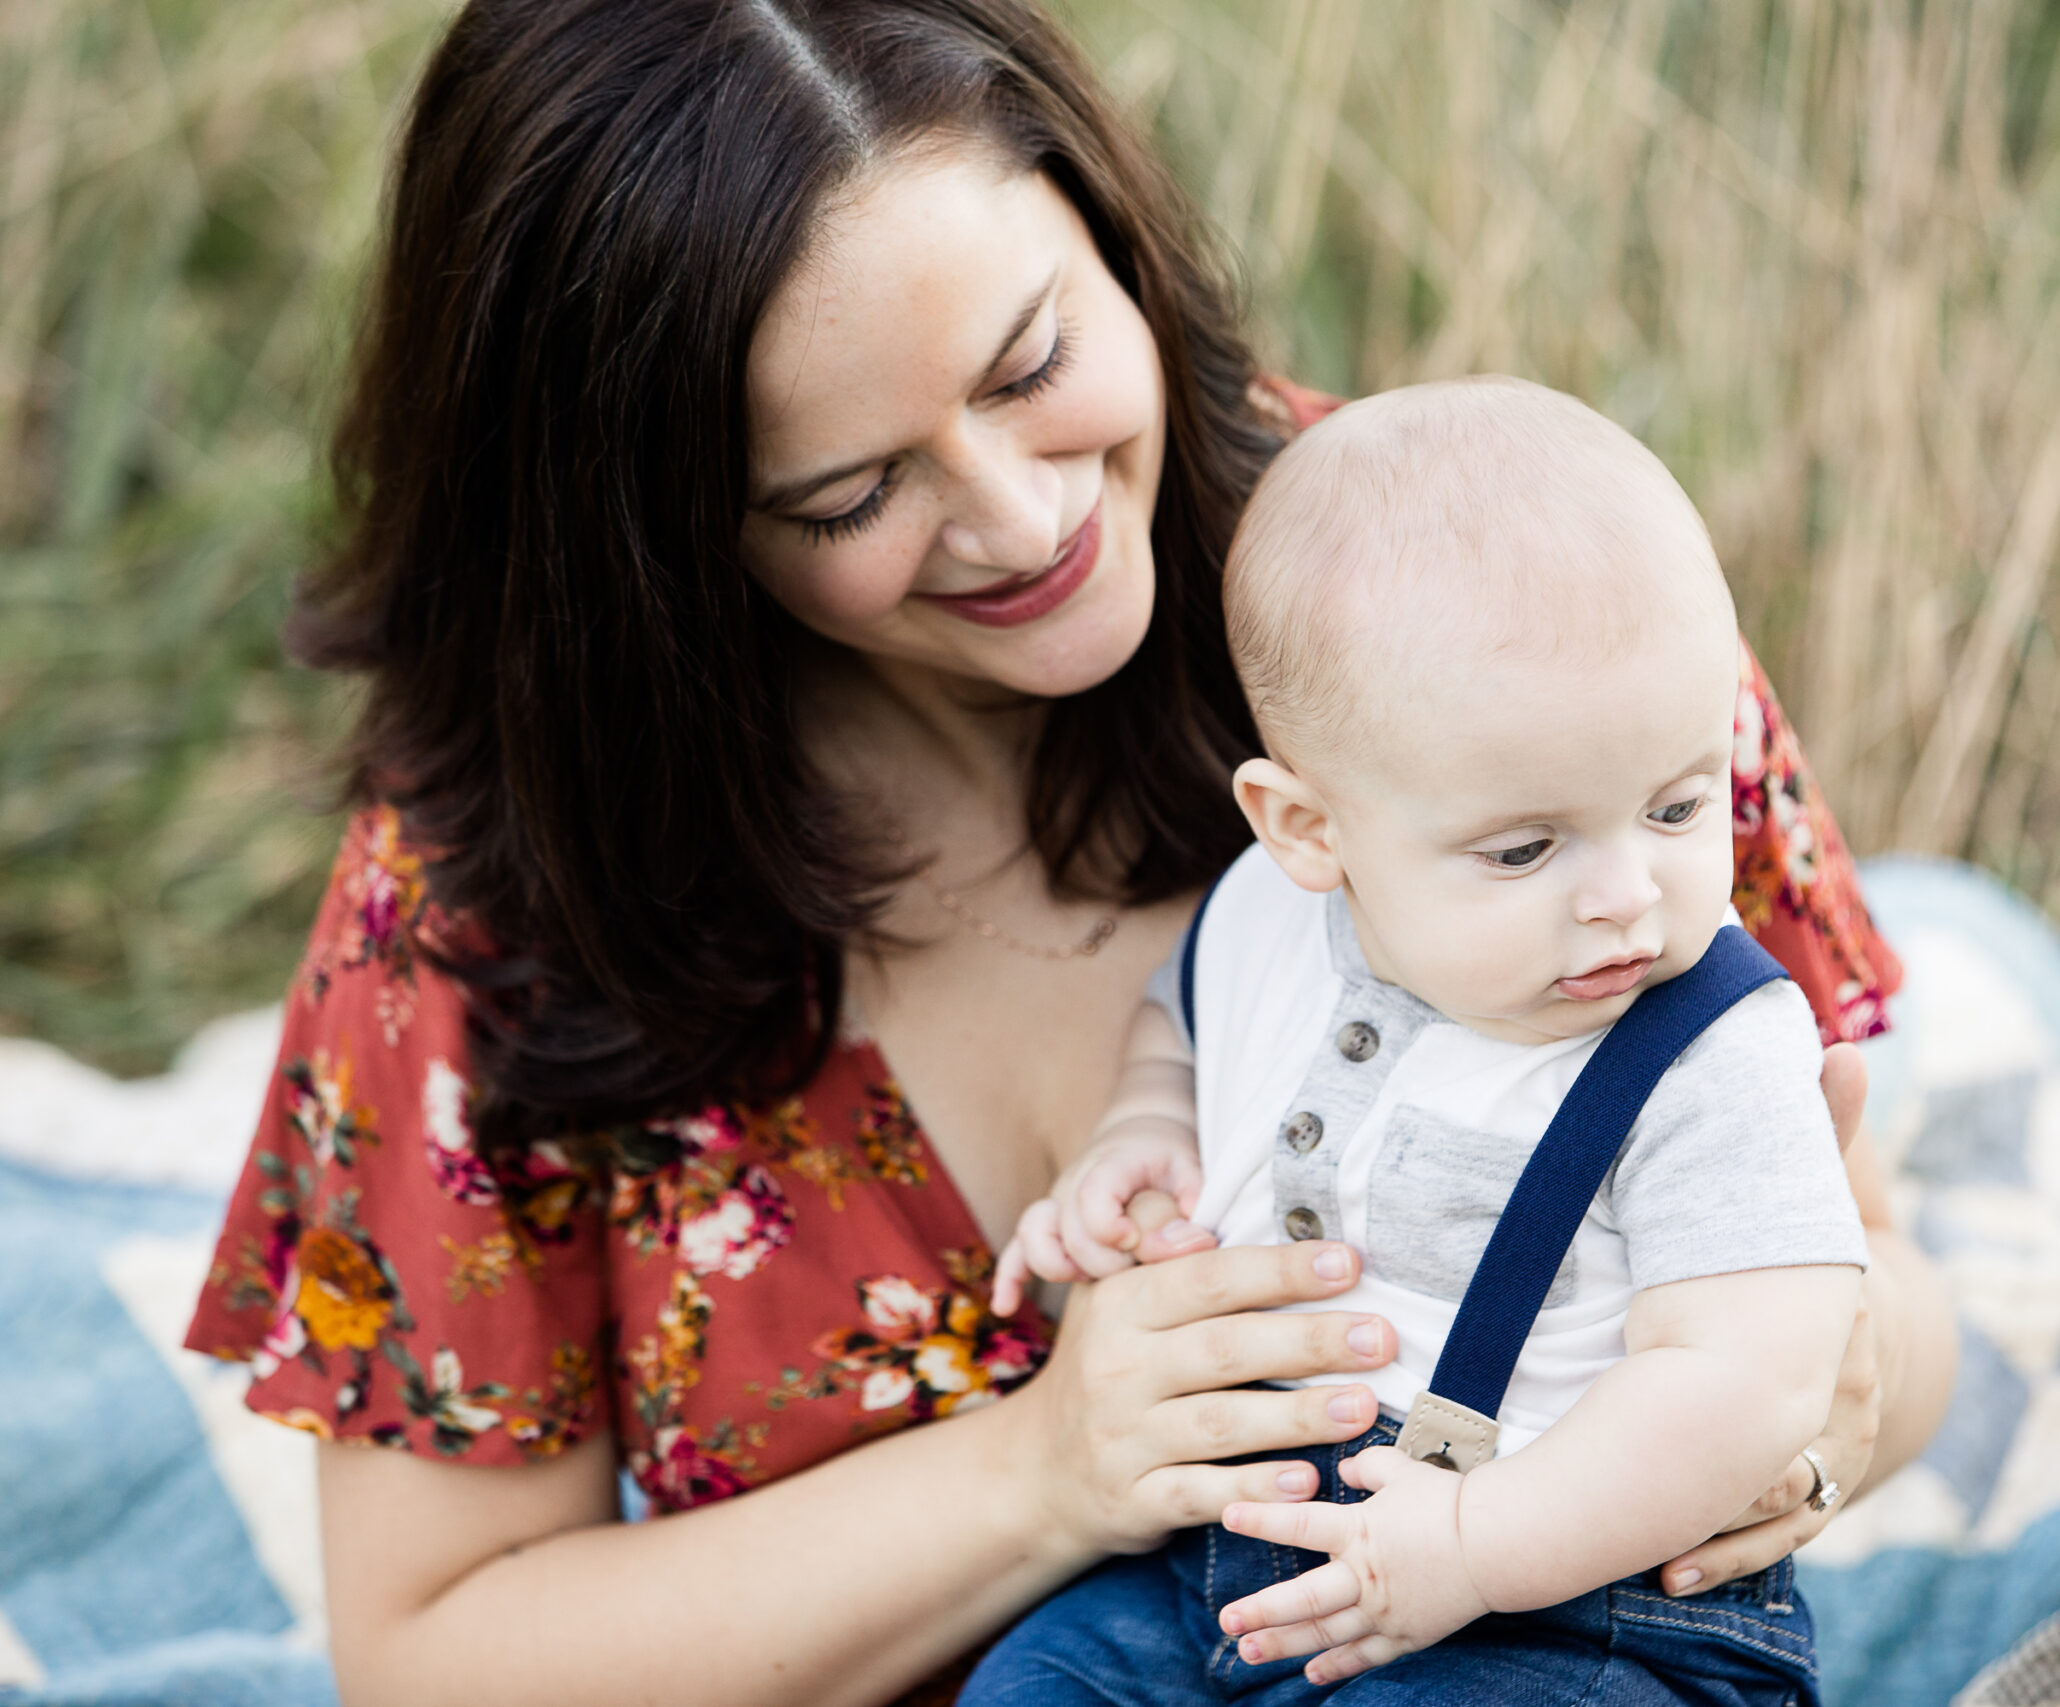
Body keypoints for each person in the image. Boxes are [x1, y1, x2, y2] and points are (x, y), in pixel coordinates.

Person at [177, 3, 1957, 1704]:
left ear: (1112, 235)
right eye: (851, 494)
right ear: (652, 535)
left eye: (1032, 365)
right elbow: (429, 1657)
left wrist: (1809, 1423)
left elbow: (1887, 1294)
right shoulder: (498, 888)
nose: (1025, 519)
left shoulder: (1490, 608)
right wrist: (1043, 1476)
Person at [966, 378, 1865, 1704]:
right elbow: (1184, 1022)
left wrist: (1473, 1547)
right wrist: (1142, 1132)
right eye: (1525, 848)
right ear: (1308, 831)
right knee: (1039, 1682)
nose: (1628, 893)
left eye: (1678, 807)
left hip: (1567, 1599)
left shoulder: (1709, 1050)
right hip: (1231, 1551)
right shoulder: (1270, 916)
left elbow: (1749, 1381)